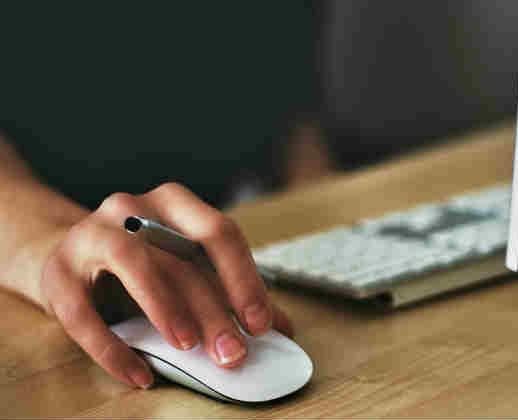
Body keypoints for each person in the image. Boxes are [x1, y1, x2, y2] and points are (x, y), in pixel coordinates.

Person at [0, 3, 329, 389]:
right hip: (63, 236)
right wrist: (54, 245)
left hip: (215, 247)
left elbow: (296, 118)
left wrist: (329, 249)